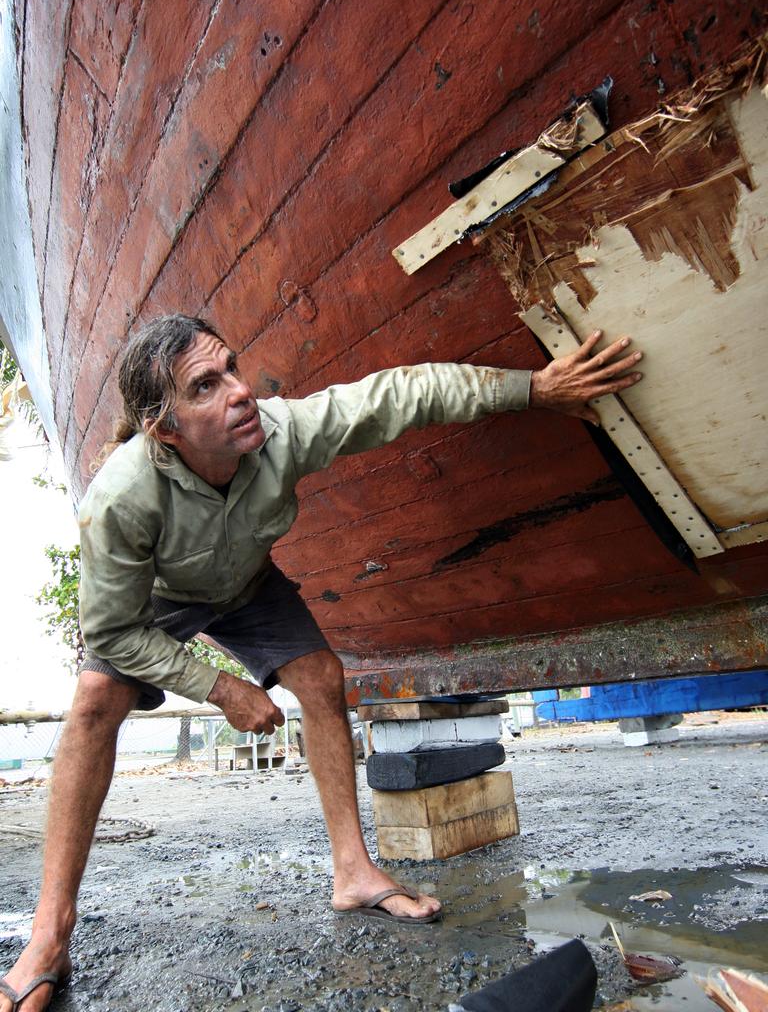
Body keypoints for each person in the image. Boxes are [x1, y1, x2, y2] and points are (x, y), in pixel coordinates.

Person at [0, 314, 643, 1011]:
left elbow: (404, 394)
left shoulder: (282, 433)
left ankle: (354, 870)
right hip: (158, 598)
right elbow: (116, 632)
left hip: (245, 583)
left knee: (322, 676)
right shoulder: (121, 500)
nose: (240, 393)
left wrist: (536, 388)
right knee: (95, 701)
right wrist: (221, 689)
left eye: (233, 370)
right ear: (166, 427)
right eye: (206, 387)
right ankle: (49, 932)